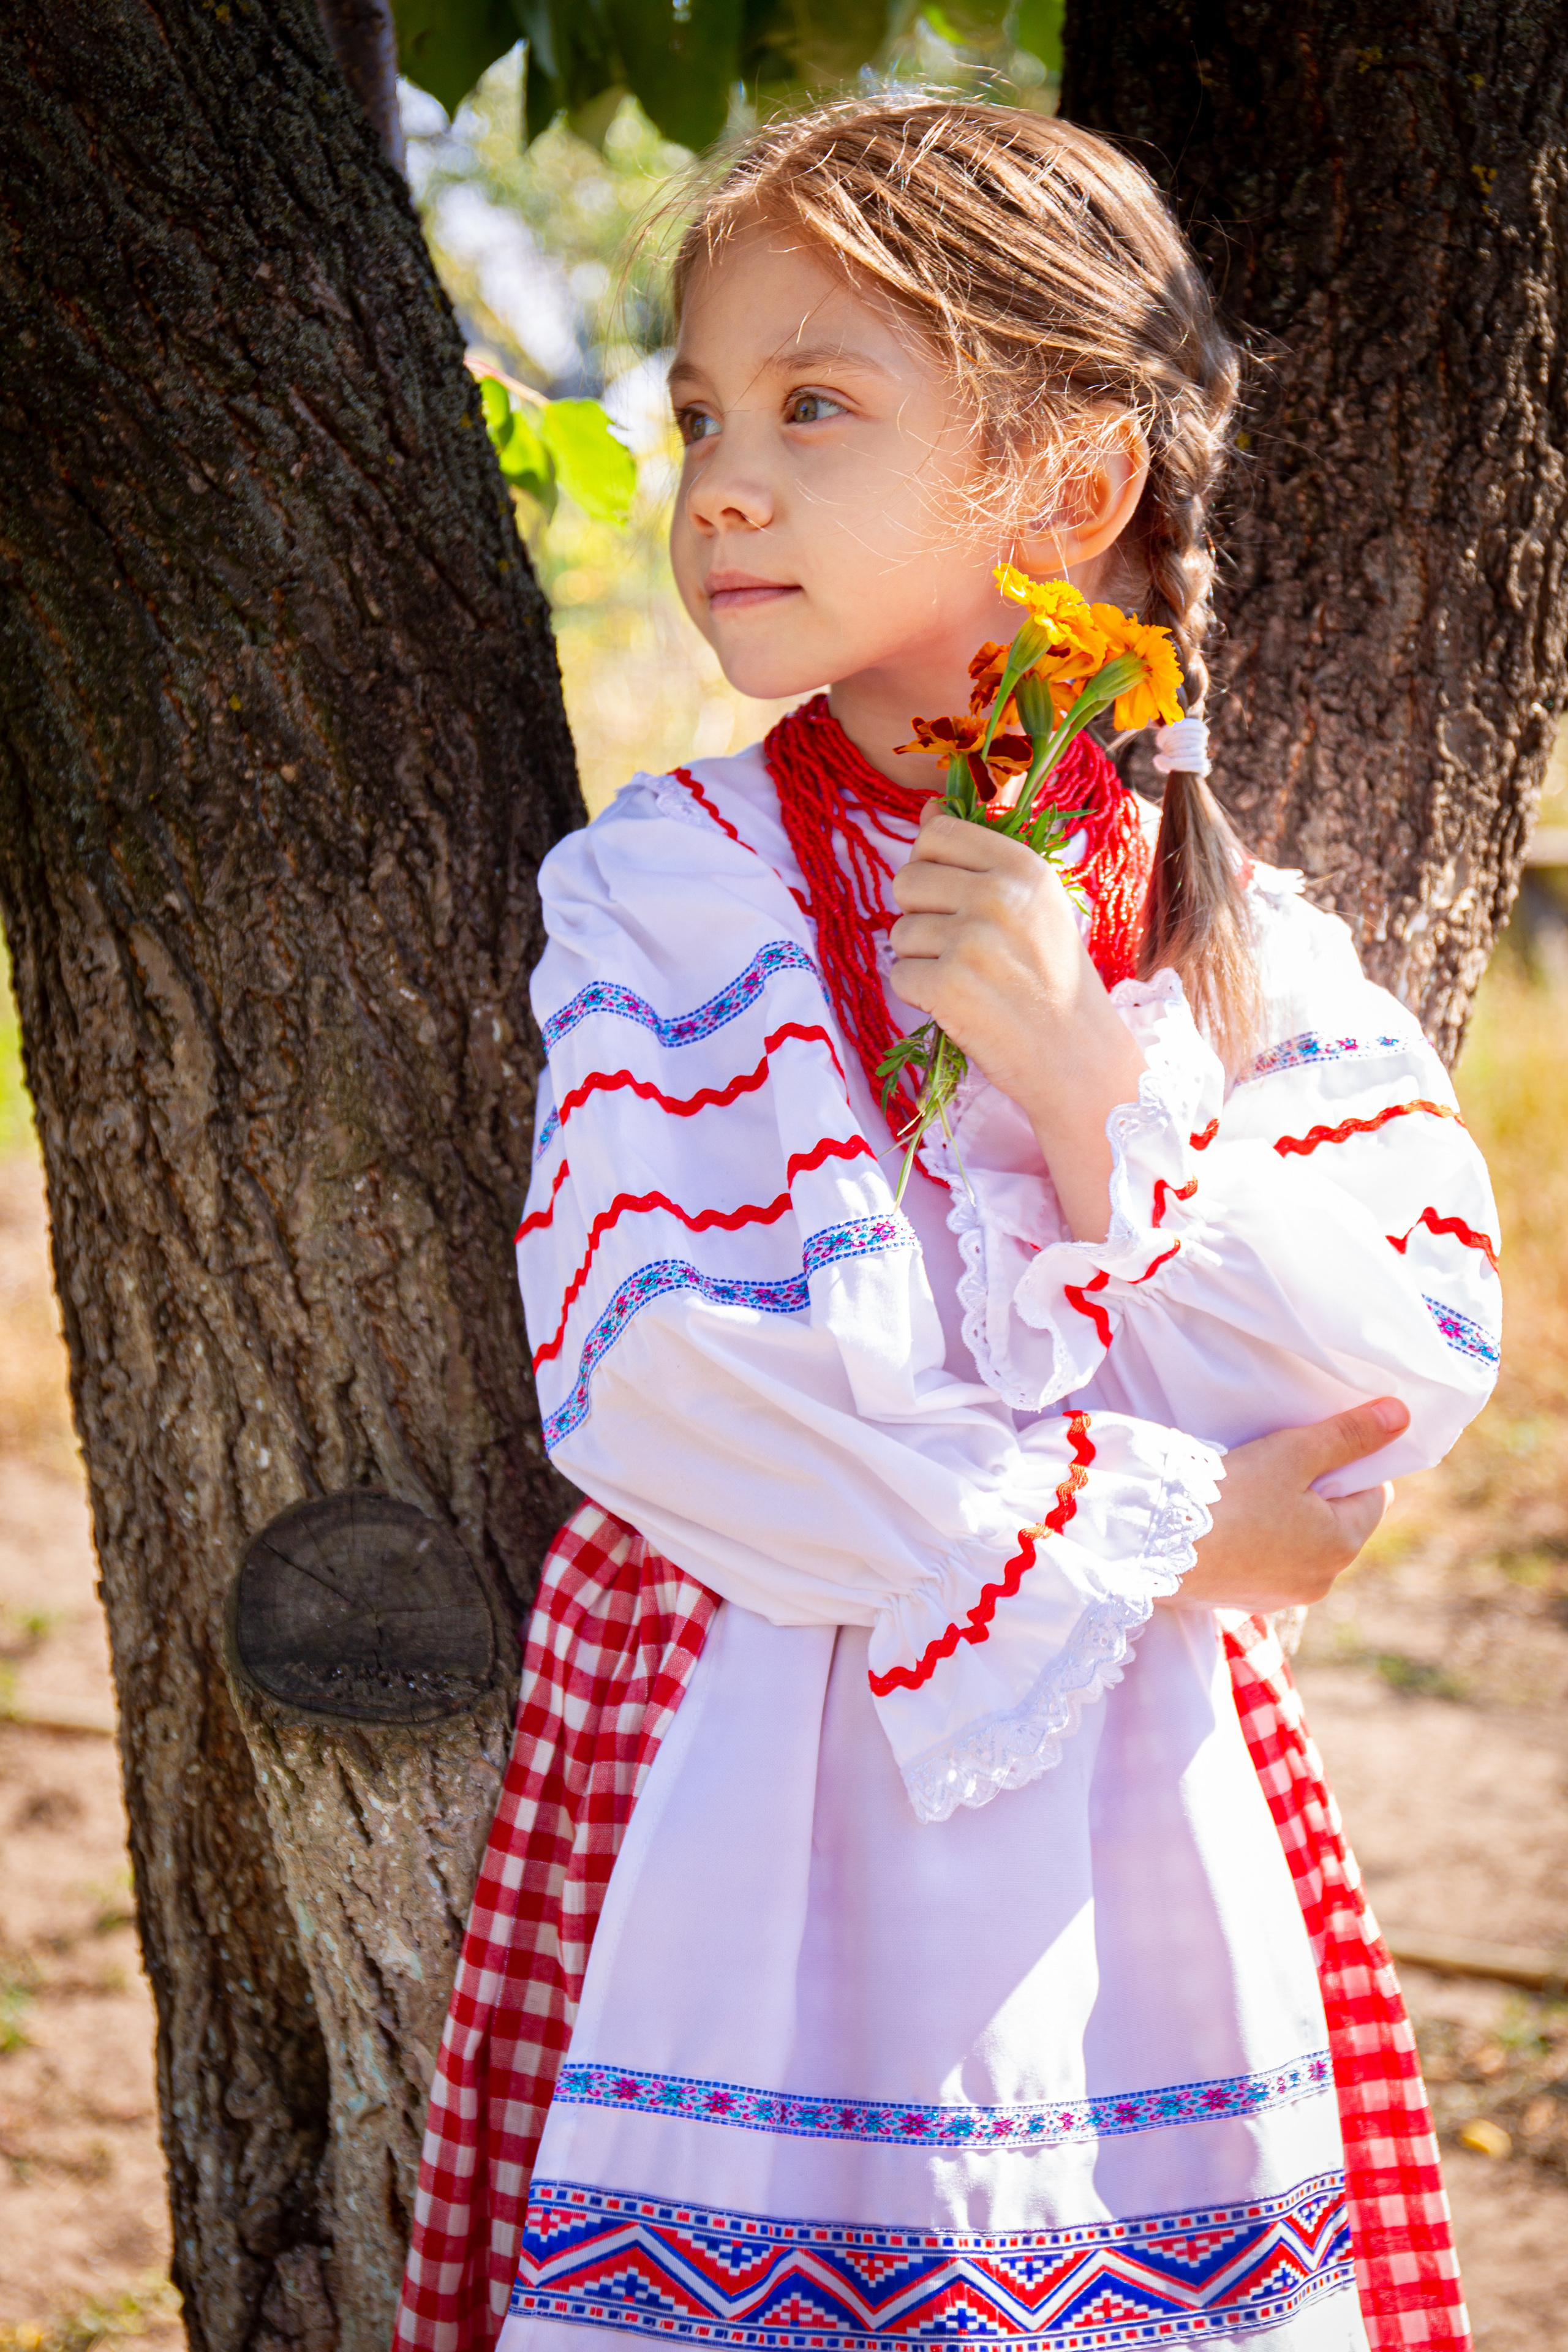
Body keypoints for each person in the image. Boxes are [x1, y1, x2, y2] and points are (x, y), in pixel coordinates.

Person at [395, 98, 1499, 2352]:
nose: (716, 478)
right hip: (751, 1781)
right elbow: (672, 1369)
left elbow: (1382, 1391)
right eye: (701, 406)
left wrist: (1101, 1098)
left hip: (1144, 1815)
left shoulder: (1240, 950)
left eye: (816, 406)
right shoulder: (672, 892)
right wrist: (1174, 1527)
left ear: (1073, 491)